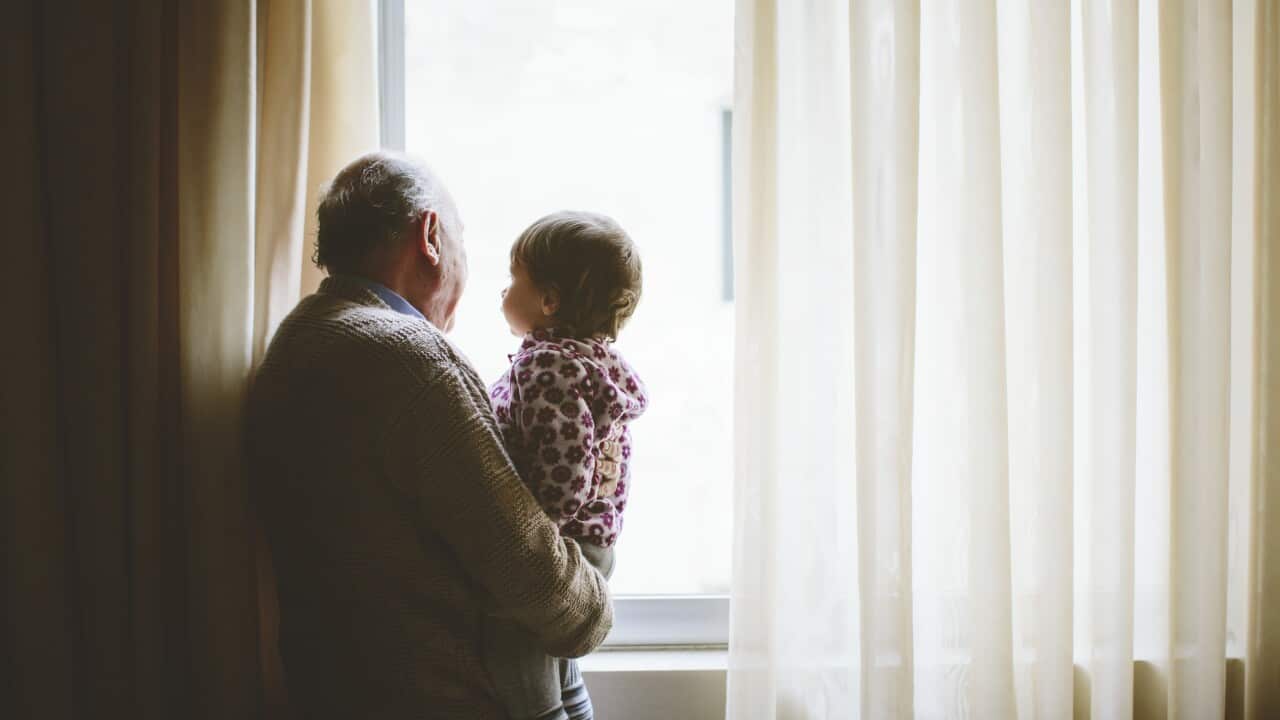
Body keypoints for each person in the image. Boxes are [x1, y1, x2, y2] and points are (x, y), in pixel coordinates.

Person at [246, 153, 613, 719]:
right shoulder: (410, 361)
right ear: (430, 237)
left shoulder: (295, 342)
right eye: (463, 240)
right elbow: (531, 572)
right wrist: (595, 605)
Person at [482, 212, 648, 719]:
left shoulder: (547, 367)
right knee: (559, 667)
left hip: (562, 544)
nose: (504, 291)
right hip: (593, 544)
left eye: (515, 280)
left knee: (518, 655)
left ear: (549, 301)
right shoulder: (592, 362)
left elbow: (565, 468)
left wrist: (532, 543)